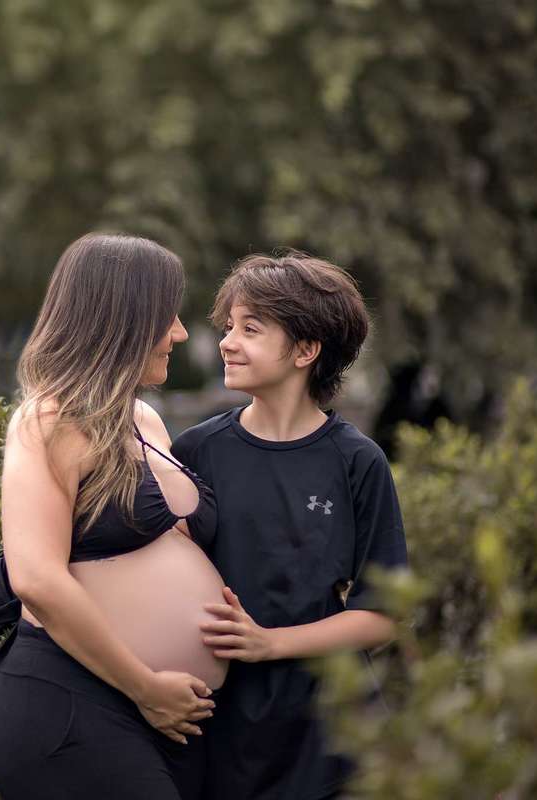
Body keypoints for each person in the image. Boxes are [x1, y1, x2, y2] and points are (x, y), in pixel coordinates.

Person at [0, 233, 227, 800]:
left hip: (173, 715)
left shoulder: (146, 419)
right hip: (76, 700)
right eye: (168, 315)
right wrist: (145, 687)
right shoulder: (47, 421)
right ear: (124, 318)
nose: (181, 333)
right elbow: (36, 579)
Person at [171, 251, 409, 800]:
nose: (228, 342)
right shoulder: (196, 451)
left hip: (331, 740)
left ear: (306, 350)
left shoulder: (358, 461)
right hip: (220, 729)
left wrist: (269, 643)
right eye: (229, 326)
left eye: (250, 329)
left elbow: (381, 615)